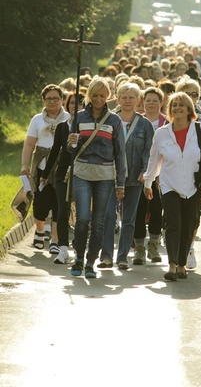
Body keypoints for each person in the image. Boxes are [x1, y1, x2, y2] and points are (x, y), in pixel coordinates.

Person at [143, 92, 201, 281]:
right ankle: (171, 265)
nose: (177, 108)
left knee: (189, 225)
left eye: (181, 105)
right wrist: (148, 182)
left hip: (194, 185)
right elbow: (154, 160)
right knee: (173, 224)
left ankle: (181, 265)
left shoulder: (200, 129)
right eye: (174, 105)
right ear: (169, 110)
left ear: (189, 109)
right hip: (169, 184)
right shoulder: (162, 133)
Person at [67, 77, 126, 278]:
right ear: (89, 95)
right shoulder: (79, 118)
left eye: (102, 95)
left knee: (99, 221)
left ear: (108, 96)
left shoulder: (114, 120)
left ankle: (91, 261)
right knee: (83, 218)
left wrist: (121, 183)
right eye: (95, 95)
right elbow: (69, 148)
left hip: (105, 174)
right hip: (82, 172)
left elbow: (120, 153)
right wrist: (72, 142)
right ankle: (78, 258)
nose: (98, 99)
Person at [98, 82, 154, 270]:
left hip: (134, 178)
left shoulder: (145, 124)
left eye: (132, 97)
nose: (128, 100)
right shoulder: (108, 120)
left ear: (138, 100)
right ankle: (106, 256)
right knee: (108, 217)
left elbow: (149, 150)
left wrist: (145, 171)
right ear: (118, 99)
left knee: (129, 219)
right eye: (124, 97)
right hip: (110, 176)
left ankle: (122, 257)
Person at [21, 84, 69, 253]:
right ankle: (40, 230)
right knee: (41, 203)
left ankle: (55, 239)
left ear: (62, 100)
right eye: (49, 99)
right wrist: (24, 165)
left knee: (59, 204)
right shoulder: (37, 119)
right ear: (43, 100)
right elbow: (29, 144)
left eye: (56, 98)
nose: (53, 102)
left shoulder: (69, 118)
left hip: (62, 167)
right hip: (42, 167)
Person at [40, 90, 86, 263]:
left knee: (83, 214)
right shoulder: (62, 127)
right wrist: (45, 175)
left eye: (80, 102)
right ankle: (63, 248)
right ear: (68, 105)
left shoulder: (89, 126)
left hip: (83, 172)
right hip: (63, 173)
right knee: (62, 209)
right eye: (73, 103)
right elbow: (54, 151)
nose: (76, 106)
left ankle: (80, 249)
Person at [175, 77, 201, 270]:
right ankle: (176, 251)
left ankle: (189, 247)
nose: (191, 98)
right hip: (174, 174)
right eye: (187, 93)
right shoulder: (171, 115)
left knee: (193, 215)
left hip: (197, 175)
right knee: (175, 216)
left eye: (195, 94)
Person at [133, 87, 166, 265]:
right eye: (148, 100)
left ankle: (153, 245)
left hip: (160, 176)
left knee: (156, 209)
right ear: (143, 102)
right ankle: (139, 248)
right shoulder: (137, 121)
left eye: (155, 100)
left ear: (161, 103)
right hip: (139, 174)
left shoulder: (167, 123)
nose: (151, 103)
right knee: (138, 209)